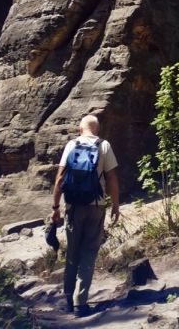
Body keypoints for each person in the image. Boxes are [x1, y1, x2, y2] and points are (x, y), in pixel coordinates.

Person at [51, 114, 120, 317]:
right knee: (89, 252)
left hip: (73, 206)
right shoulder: (104, 145)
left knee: (72, 252)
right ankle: (81, 303)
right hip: (96, 206)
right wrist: (116, 205)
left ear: (80, 129)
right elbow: (112, 179)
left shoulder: (71, 145)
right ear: (96, 130)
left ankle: (67, 301)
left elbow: (60, 178)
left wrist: (55, 207)